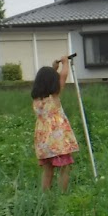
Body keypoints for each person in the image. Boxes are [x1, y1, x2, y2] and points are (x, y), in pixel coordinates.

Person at [32, 55, 79, 192]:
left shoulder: (36, 100)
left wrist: (53, 68)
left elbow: (50, 81)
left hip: (43, 140)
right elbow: (63, 77)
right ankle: (62, 194)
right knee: (65, 167)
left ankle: (45, 194)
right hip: (57, 139)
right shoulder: (54, 97)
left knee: (47, 170)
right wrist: (65, 63)